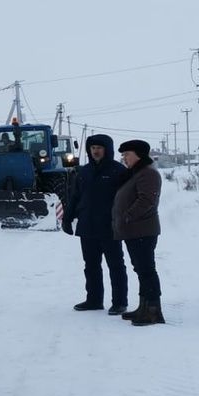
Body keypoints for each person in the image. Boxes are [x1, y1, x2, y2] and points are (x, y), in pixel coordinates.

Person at [60, 134, 128, 314]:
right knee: (90, 265)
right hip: (87, 226)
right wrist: (67, 218)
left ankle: (120, 302)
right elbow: (75, 197)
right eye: (92, 148)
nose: (95, 151)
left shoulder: (118, 171)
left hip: (110, 227)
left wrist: (123, 221)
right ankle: (94, 300)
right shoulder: (84, 171)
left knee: (115, 265)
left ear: (107, 149)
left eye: (99, 147)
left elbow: (126, 199)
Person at [113, 139, 164, 326]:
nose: (124, 158)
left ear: (138, 154)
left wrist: (127, 216)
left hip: (142, 229)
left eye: (127, 154)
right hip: (135, 230)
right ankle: (143, 307)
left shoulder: (148, 174)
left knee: (146, 270)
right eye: (123, 155)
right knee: (141, 269)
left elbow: (147, 200)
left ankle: (153, 311)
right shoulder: (138, 172)